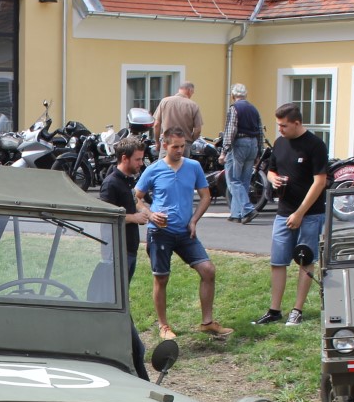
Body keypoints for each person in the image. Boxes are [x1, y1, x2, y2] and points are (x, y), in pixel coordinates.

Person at [134, 126, 232, 339]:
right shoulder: (153, 170)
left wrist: (194, 220)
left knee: (208, 270)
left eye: (183, 146)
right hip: (160, 232)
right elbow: (136, 197)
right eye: (175, 146)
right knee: (161, 278)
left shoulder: (193, 167)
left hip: (185, 232)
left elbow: (205, 196)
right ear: (165, 145)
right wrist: (150, 215)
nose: (180, 150)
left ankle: (207, 322)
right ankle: (163, 326)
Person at [254, 104, 328, 326]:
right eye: (278, 125)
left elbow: (320, 181)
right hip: (283, 212)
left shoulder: (315, 145)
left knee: (305, 260)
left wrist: (300, 213)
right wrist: (272, 178)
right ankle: (274, 310)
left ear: (297, 123)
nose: (280, 129)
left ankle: (297, 309)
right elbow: (271, 168)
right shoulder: (279, 143)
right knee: (278, 261)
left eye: (284, 125)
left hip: (310, 214)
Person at [99, 137, 151, 379]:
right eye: (138, 159)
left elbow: (133, 204)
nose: (141, 163)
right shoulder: (111, 183)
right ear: (124, 159)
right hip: (117, 253)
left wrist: (143, 210)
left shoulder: (128, 181)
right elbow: (105, 216)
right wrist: (133, 218)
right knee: (119, 303)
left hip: (128, 251)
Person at [219, 83, 265, 223]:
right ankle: (236, 213)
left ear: (233, 96)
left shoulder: (234, 108)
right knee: (243, 181)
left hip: (239, 143)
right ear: (246, 95)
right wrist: (259, 151)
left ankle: (247, 209)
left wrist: (224, 151)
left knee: (233, 179)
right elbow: (260, 131)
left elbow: (231, 130)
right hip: (253, 145)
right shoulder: (254, 109)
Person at [151, 80, 203, 145]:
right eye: (192, 92)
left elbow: (156, 125)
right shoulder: (193, 105)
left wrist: (157, 142)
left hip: (167, 143)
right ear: (189, 90)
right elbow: (198, 130)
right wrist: (190, 141)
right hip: (184, 143)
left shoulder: (164, 101)